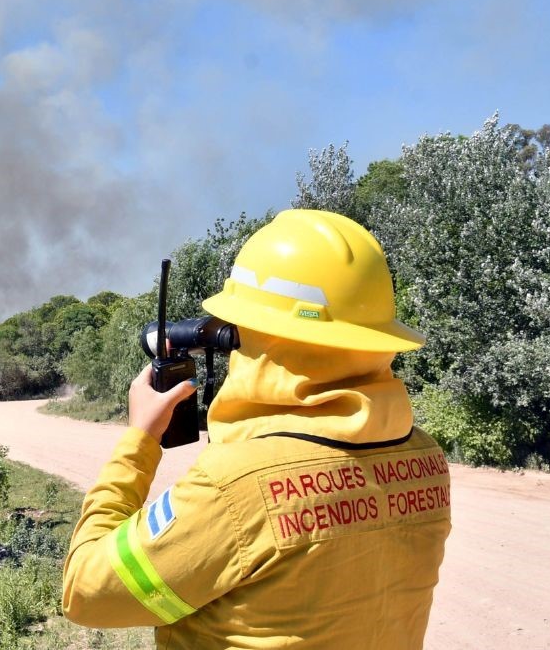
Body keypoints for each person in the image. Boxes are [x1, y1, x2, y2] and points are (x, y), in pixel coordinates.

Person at [61, 209, 451, 649]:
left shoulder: (235, 486)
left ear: (263, 340)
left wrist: (139, 441)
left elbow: (85, 591)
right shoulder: (426, 458)